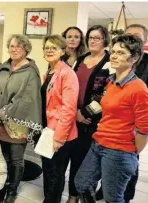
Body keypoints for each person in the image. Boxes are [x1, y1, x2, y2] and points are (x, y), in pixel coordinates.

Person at [75, 34, 148, 203]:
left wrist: (130, 152)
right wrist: (81, 114)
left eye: (121, 53)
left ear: (135, 57)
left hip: (119, 151)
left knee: (112, 198)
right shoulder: (111, 81)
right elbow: (102, 104)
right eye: (113, 51)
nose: (114, 56)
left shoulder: (138, 88)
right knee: (81, 183)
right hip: (99, 142)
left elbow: (144, 129)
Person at [95, 23, 148, 203]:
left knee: (126, 172)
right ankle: (108, 190)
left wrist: (135, 148)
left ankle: (124, 195)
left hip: (131, 134)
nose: (132, 39)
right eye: (128, 35)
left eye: (137, 37)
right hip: (111, 130)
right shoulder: (113, 71)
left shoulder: (141, 78)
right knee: (109, 172)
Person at [0, 34, 42, 203]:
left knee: (16, 158)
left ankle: (12, 190)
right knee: (3, 155)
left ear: (26, 49)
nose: (14, 49)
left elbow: (29, 98)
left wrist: (8, 111)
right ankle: (3, 185)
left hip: (19, 120)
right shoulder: (4, 67)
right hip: (0, 118)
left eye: (18, 46)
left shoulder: (31, 71)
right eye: (11, 46)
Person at [66, 25, 111, 203]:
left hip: (93, 121)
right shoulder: (81, 60)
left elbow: (107, 94)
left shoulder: (109, 63)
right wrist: (75, 112)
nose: (93, 40)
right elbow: (71, 87)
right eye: (90, 37)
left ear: (105, 40)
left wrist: (84, 113)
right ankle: (72, 196)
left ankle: (84, 196)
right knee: (74, 158)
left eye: (97, 38)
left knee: (87, 164)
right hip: (74, 117)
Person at [41, 35, 79, 203]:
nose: (49, 50)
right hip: (46, 129)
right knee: (48, 170)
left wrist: (59, 137)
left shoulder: (67, 73)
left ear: (63, 51)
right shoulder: (49, 71)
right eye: (46, 47)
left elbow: (69, 109)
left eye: (54, 47)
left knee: (56, 173)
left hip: (59, 132)